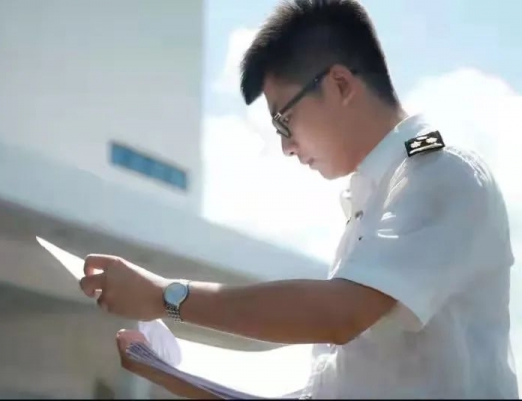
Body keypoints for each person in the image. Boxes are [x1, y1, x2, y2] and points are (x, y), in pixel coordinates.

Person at [79, 0, 518, 398]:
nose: (286, 146)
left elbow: (338, 316)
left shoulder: (440, 172)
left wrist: (165, 296)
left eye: (283, 121)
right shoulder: (371, 201)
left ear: (340, 85)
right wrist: (170, 373)